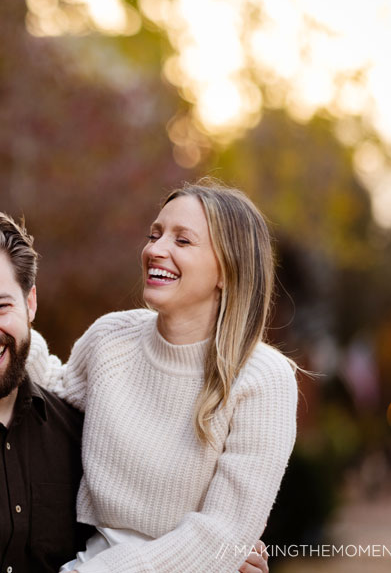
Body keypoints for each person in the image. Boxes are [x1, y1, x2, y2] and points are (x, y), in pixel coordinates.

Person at [0, 205, 272, 573]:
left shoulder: (79, 432)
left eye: (1, 306)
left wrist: (221, 559)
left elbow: (137, 531)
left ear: (30, 303)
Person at [25, 179, 299, 572]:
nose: (155, 250)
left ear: (227, 269)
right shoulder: (111, 340)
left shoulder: (262, 379)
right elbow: (54, 385)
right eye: (154, 235)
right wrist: (4, 324)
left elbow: (222, 534)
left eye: (182, 241)